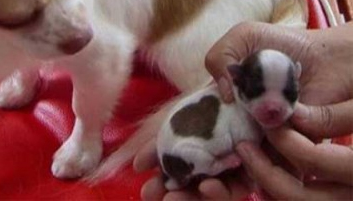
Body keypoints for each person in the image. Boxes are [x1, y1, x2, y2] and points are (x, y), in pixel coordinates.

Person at [134, 21, 353, 200]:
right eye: (258, 91)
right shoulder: (238, 116)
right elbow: (246, 143)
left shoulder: (238, 102)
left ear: (297, 77)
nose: (273, 107)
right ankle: (210, 166)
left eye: (287, 93)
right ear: (235, 79)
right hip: (183, 158)